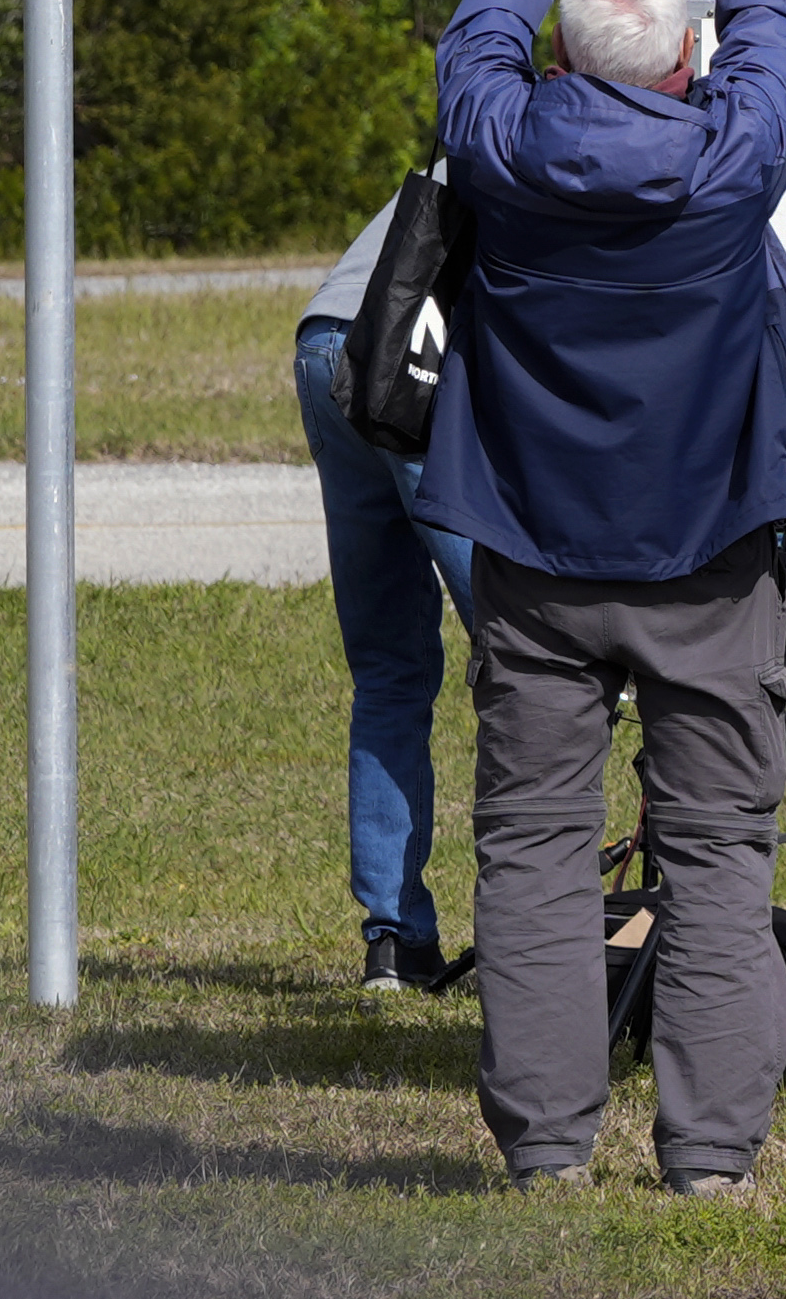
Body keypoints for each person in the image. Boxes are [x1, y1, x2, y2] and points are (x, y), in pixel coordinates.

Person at [420, 0, 786, 1200]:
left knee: (537, 860)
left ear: (561, 55)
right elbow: (774, 31)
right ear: (684, 61)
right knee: (719, 858)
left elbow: (468, 43)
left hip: (537, 558)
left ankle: (549, 1152)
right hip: (710, 557)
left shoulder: (500, 141)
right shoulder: (729, 154)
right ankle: (709, 1161)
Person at [293, 190, 480, 996]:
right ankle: (533, 935)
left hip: (326, 336)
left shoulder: (497, 109)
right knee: (533, 660)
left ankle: (396, 941)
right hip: (406, 344)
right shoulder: (583, 133)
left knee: (390, 667)